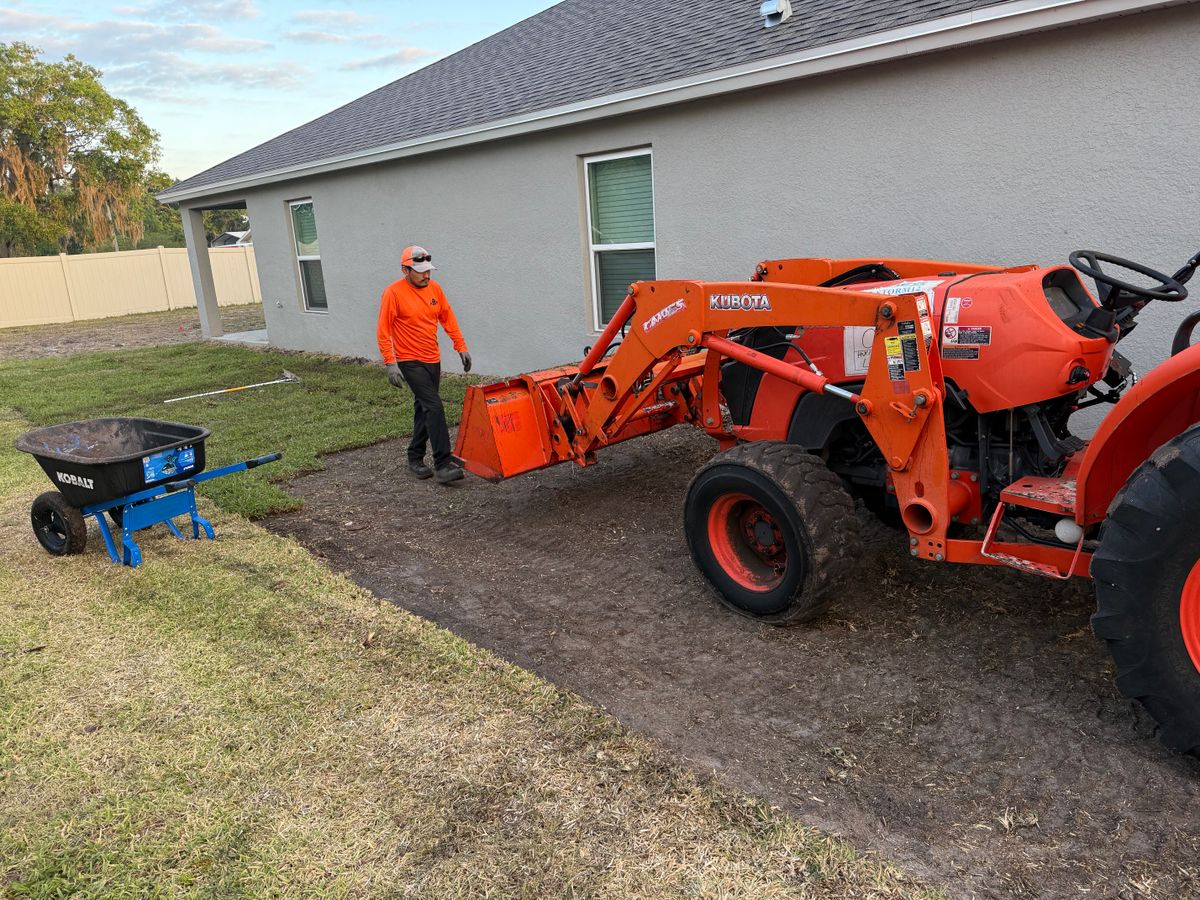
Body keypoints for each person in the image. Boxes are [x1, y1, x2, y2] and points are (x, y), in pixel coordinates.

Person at [377, 245, 472, 484]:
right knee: (434, 406)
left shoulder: (435, 289)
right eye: (420, 271)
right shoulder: (393, 293)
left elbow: (447, 317)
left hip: (432, 358)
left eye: (428, 270)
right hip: (409, 360)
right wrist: (390, 363)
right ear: (405, 270)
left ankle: (414, 457)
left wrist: (461, 347)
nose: (426, 275)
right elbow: (383, 330)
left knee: (424, 408)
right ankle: (443, 463)